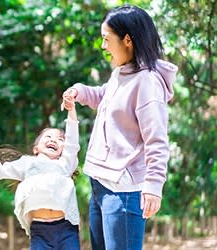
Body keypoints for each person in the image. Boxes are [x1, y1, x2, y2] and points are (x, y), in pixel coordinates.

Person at [62, 5, 177, 250]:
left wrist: (154, 186)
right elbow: (106, 98)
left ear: (127, 40)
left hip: (123, 192)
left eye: (106, 39)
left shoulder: (147, 82)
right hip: (100, 185)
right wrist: (80, 92)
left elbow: (157, 140)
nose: (104, 46)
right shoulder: (121, 73)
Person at [0, 104, 81, 250]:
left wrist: (71, 110)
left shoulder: (66, 164)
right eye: (48, 137)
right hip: (39, 229)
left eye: (60, 139)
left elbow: (73, 141)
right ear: (36, 148)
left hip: (66, 228)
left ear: (64, 149)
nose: (53, 140)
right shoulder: (27, 163)